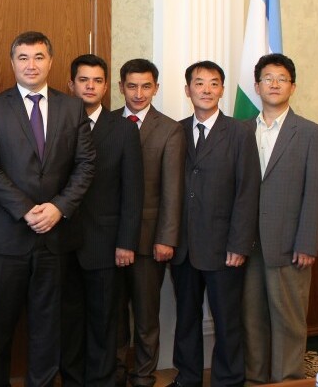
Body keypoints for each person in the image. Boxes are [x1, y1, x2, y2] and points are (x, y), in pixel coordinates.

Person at [0, 31, 95, 387]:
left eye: (39, 57)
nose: (31, 65)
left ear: (50, 62)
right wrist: (26, 209)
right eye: (23, 57)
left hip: (56, 238)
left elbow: (86, 164)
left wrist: (59, 207)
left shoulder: (72, 107)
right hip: (8, 238)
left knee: (48, 328)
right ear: (12, 63)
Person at [169, 60, 259, 387]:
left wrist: (239, 244)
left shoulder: (239, 132)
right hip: (183, 246)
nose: (206, 90)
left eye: (213, 83)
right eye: (199, 83)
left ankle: (229, 381)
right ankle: (187, 378)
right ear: (187, 90)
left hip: (224, 248)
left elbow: (248, 191)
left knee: (227, 321)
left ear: (222, 90)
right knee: (186, 319)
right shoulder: (175, 131)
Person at [242, 53, 318, 384]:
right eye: (268, 78)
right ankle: (255, 379)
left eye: (282, 79)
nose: (274, 84)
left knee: (289, 321)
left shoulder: (310, 133)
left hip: (290, 245)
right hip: (248, 244)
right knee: (252, 319)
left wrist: (307, 242)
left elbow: (314, 192)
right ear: (257, 86)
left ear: (293, 86)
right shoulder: (240, 130)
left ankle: (288, 380)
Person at [60, 54, 144, 387]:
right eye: (83, 80)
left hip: (106, 245)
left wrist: (126, 242)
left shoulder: (123, 129)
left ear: (107, 86)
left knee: (104, 324)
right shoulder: (56, 123)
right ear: (71, 84)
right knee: (68, 323)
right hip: (62, 243)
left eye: (97, 81)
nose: (90, 86)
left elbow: (133, 190)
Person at [111, 58, 185, 387]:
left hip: (149, 239)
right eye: (132, 86)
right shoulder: (107, 123)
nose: (139, 93)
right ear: (121, 87)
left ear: (156, 88)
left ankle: (143, 375)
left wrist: (166, 238)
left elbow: (172, 189)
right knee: (113, 314)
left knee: (145, 316)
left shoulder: (170, 129)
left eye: (146, 86)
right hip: (110, 239)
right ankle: (113, 373)